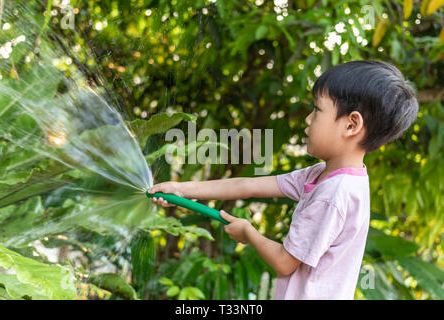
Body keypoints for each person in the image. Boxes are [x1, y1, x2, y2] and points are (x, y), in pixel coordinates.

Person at [148, 60, 419, 299]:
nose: (308, 120)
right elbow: (248, 185)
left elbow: (284, 262)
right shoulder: (325, 175)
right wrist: (179, 188)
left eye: (317, 110)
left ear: (351, 124)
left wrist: (249, 234)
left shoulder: (334, 193)